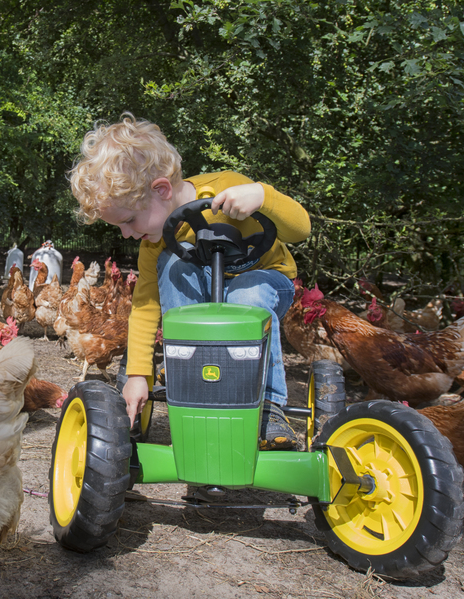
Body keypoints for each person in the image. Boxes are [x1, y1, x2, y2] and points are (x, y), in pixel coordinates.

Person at [68, 113, 310, 450]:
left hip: (265, 281)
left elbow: (301, 229)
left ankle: (269, 406)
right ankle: (191, 367)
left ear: (162, 189)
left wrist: (262, 196)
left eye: (128, 220)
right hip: (203, 291)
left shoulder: (227, 189)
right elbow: (145, 306)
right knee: (173, 264)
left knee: (247, 294)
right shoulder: (154, 244)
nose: (126, 233)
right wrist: (138, 374)